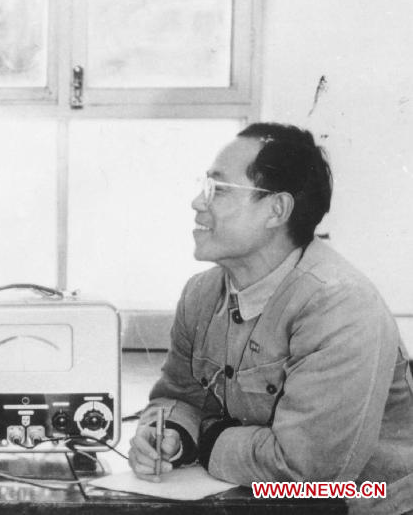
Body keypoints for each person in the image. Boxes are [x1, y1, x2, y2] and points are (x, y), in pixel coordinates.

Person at [128, 123, 413, 514]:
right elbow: (176, 397)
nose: (197, 202)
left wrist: (208, 437)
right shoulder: (201, 293)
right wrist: (169, 435)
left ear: (277, 210)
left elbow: (309, 477)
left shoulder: (341, 305)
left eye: (219, 189)